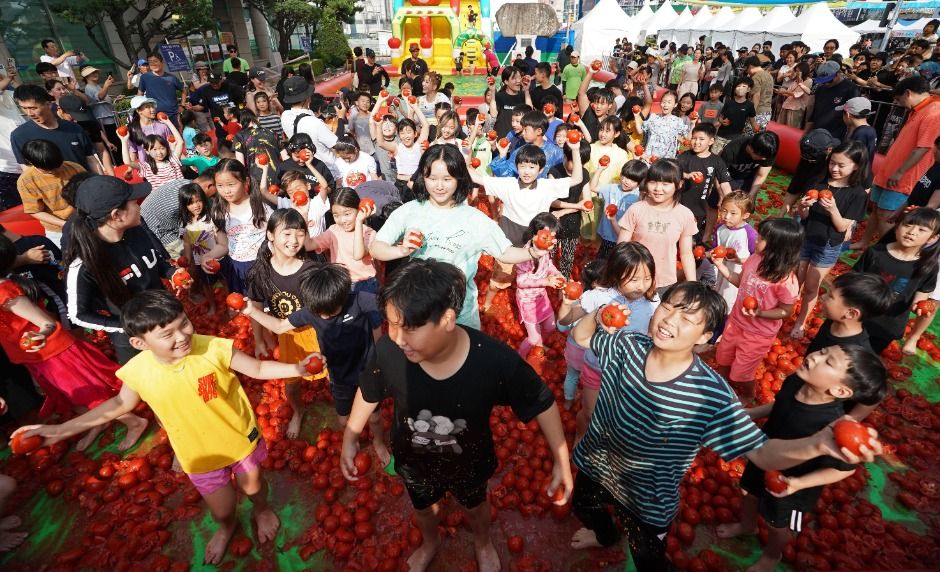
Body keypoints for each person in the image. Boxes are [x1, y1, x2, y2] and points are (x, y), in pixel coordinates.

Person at [568, 281, 885, 569]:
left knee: (648, 557)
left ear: (706, 337)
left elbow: (762, 455)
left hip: (647, 496)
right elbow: (582, 336)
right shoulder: (627, 344)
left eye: (687, 319)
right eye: (668, 307)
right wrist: (597, 317)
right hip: (595, 463)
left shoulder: (710, 395)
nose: (669, 320)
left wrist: (819, 445)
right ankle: (605, 536)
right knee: (585, 508)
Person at [15, 289, 320, 564]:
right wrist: (58, 430)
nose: (182, 336)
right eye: (167, 334)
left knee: (254, 488)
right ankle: (227, 527)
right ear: (139, 343)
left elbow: (256, 367)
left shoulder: (213, 348)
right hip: (198, 455)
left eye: (184, 323)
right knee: (222, 510)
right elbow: (119, 405)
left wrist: (297, 368)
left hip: (241, 440)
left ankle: (261, 509)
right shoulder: (136, 371)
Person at [339, 258, 573, 572]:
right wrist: (351, 436)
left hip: (470, 462)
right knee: (423, 507)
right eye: (391, 324)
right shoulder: (389, 352)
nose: (397, 337)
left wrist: (561, 461)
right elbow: (369, 390)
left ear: (448, 319)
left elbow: (542, 401)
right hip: (412, 458)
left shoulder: (493, 361)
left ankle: (482, 541)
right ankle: (430, 541)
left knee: (475, 506)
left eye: (408, 327)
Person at [717, 344, 886, 572]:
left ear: (840, 391)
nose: (816, 356)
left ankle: (772, 556)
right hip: (765, 454)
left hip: (793, 484)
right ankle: (747, 525)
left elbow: (845, 469)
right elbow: (779, 404)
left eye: (828, 362)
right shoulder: (796, 381)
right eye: (823, 351)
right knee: (748, 493)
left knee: (777, 524)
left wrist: (798, 484)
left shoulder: (834, 427)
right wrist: (754, 413)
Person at [370, 144, 555, 329]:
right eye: (432, 178)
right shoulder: (409, 211)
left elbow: (505, 253)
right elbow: (377, 247)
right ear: (423, 177)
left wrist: (532, 252)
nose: (439, 186)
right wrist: (401, 250)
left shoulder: (475, 219)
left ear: (459, 179)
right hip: (420, 310)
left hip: (461, 314)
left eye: (447, 179)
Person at [0, 234, 148, 450]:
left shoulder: (4, 292)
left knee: (90, 394)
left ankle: (135, 422)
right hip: (37, 356)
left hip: (54, 353)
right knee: (72, 397)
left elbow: (45, 323)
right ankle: (97, 423)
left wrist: (40, 335)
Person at [63, 175, 186, 364]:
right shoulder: (84, 263)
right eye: (134, 203)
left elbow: (156, 260)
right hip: (134, 342)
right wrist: (125, 327)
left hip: (167, 321)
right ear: (116, 215)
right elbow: (78, 314)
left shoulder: (137, 230)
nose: (139, 206)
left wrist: (172, 273)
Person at [558, 242, 657, 439]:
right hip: (597, 367)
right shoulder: (597, 296)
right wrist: (567, 303)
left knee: (617, 415)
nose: (642, 285)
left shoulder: (652, 301)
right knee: (589, 413)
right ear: (615, 274)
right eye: (634, 279)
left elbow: (653, 332)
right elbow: (565, 320)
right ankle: (580, 437)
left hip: (629, 372)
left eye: (647, 278)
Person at [714, 218, 802, 397]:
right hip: (736, 323)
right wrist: (720, 265)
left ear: (777, 247)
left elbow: (787, 310)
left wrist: (761, 312)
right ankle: (720, 388)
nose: (755, 239)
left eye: (761, 238)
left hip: (758, 334)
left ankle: (748, 394)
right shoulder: (755, 259)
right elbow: (740, 281)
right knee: (723, 359)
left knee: (741, 373)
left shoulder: (786, 280)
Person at [791, 141, 870, 339]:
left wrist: (833, 209)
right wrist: (802, 207)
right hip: (805, 237)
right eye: (832, 163)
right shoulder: (818, 182)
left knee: (811, 285)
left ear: (856, 166)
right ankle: (784, 310)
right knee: (794, 279)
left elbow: (843, 227)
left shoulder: (857, 194)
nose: (834, 168)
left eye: (841, 165)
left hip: (828, 245)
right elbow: (805, 216)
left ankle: (800, 322)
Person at [853, 77, 940, 250]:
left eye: (899, 100)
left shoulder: (934, 113)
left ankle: (889, 251)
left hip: (903, 177)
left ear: (908, 93)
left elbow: (923, 148)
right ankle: (865, 242)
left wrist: (900, 172)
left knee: (887, 215)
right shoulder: (917, 109)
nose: (898, 104)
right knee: (877, 208)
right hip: (889, 170)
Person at [853, 207, 940, 354]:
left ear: (932, 238)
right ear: (896, 226)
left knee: (861, 361)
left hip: (887, 326)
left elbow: (921, 297)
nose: (912, 232)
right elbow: (854, 280)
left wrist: (920, 308)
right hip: (856, 316)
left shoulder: (927, 267)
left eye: (922, 230)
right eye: (907, 225)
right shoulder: (876, 252)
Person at [617, 159, 697, 290]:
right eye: (653, 182)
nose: (658, 189)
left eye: (666, 184)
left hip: (664, 282)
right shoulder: (636, 209)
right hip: (633, 279)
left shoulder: (685, 214)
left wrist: (693, 284)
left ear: (679, 184)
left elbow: (686, 254)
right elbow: (621, 247)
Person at [11, 85, 100, 175]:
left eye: (33, 108)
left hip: (84, 184)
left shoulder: (74, 129)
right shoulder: (19, 135)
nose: (29, 113)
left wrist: (100, 182)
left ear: (48, 104)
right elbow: (27, 170)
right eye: (24, 108)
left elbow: (90, 159)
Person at [307, 187, 378, 293]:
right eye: (336, 215)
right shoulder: (333, 231)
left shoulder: (369, 232)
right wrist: (303, 214)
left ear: (359, 209)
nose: (342, 220)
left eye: (347, 214)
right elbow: (308, 245)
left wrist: (359, 222)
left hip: (366, 285)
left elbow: (358, 255)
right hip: (340, 283)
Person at [15, 139, 83, 248]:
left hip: (83, 221)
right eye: (49, 170)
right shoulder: (27, 181)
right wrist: (66, 225)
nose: (56, 171)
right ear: (31, 162)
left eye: (58, 166)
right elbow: (35, 211)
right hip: (58, 230)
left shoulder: (73, 167)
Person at [806, 272, 891, 356]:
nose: (823, 296)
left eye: (830, 296)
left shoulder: (856, 354)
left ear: (851, 313)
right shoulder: (832, 322)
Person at [677, 123, 733, 242]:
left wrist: (730, 200)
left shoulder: (716, 161)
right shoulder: (685, 156)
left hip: (699, 208)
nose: (696, 142)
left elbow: (724, 183)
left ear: (711, 141)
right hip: (679, 204)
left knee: (691, 237)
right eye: (694, 138)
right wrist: (686, 175)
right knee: (675, 232)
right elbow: (673, 173)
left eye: (701, 139)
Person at [141, 173, 215, 259]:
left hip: (150, 221)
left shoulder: (185, 183)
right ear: (209, 186)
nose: (212, 198)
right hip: (159, 232)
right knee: (192, 256)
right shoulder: (182, 200)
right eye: (213, 195)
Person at [280, 77, 339, 177]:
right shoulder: (315, 123)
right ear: (307, 98)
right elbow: (337, 145)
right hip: (327, 169)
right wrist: (341, 119)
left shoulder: (285, 116)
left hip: (306, 170)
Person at [591, 160, 646, 258]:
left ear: (639, 183)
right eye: (625, 177)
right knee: (602, 262)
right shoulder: (612, 188)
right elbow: (593, 187)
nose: (627, 181)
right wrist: (600, 169)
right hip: (607, 236)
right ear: (620, 174)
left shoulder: (637, 196)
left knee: (616, 264)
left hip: (624, 238)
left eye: (633, 180)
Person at [804, 61, 858, 140]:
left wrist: (848, 140)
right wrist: (805, 133)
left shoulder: (851, 89)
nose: (826, 83)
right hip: (816, 131)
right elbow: (814, 113)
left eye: (829, 80)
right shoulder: (820, 88)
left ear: (838, 73)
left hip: (835, 135)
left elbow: (853, 117)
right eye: (823, 81)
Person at [720, 131, 779, 199]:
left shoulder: (768, 152)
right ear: (751, 149)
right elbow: (720, 175)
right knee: (719, 202)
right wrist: (724, 196)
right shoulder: (732, 149)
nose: (764, 159)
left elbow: (761, 176)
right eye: (762, 156)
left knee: (746, 204)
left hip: (748, 179)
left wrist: (750, 196)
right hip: (728, 177)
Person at [137, 52, 186, 125]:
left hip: (173, 115)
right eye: (150, 62)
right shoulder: (145, 77)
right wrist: (141, 112)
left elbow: (184, 90)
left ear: (162, 62)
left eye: (155, 61)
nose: (153, 64)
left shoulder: (172, 78)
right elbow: (139, 95)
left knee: (176, 135)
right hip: (155, 117)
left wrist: (182, 105)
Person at [744, 56, 774, 134]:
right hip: (767, 112)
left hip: (757, 112)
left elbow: (756, 96)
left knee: (748, 137)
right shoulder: (769, 75)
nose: (748, 72)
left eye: (747, 69)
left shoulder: (756, 78)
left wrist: (752, 115)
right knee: (759, 137)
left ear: (750, 67)